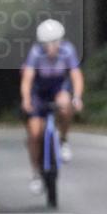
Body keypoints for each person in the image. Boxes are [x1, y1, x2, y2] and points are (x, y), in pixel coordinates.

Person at [20, 20, 84, 194]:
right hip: (39, 91)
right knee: (34, 133)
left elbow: (76, 75)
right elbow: (27, 79)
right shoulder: (35, 53)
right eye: (47, 43)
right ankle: (35, 173)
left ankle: (63, 140)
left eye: (55, 41)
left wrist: (77, 97)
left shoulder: (68, 50)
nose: (52, 46)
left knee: (65, 103)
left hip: (58, 88)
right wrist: (26, 99)